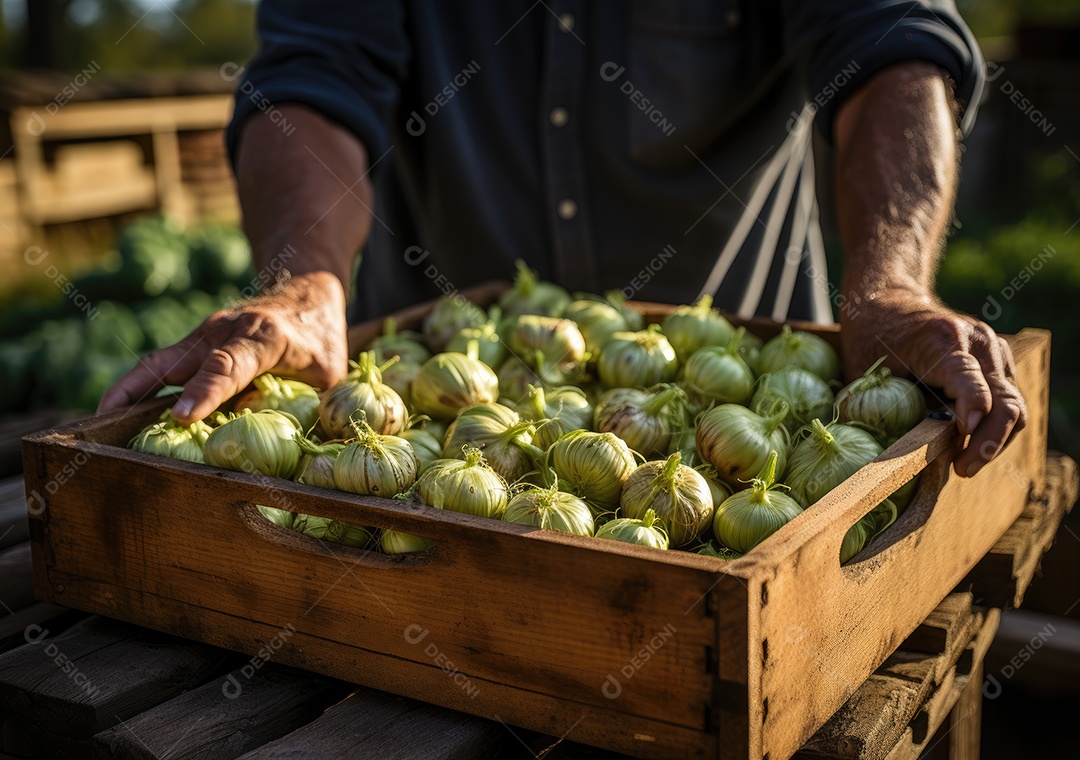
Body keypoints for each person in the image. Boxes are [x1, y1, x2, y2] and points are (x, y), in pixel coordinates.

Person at [99, 0, 1026, 478]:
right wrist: (304, 278)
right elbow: (312, 76)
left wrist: (890, 287)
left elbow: (892, 41)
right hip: (415, 423)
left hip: (769, 394)